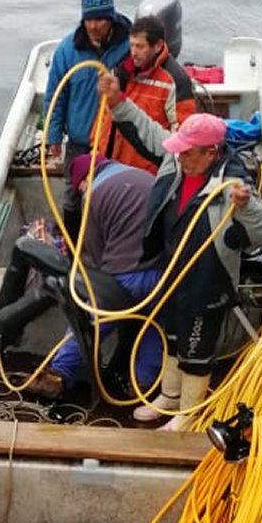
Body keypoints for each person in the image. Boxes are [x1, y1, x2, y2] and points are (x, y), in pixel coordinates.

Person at [98, 72, 262, 430]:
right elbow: (149, 132)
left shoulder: (232, 182)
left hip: (207, 281)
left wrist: (245, 207)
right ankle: (169, 395)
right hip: (173, 270)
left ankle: (188, 414)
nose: (180, 157)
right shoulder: (176, 158)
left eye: (188, 153)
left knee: (197, 351)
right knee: (174, 338)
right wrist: (118, 103)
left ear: (211, 153)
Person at [24, 153, 164, 399]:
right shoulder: (144, 176)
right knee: (154, 325)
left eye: (79, 187)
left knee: (90, 322)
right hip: (163, 271)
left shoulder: (94, 193)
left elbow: (93, 253)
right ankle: (143, 385)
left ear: (86, 178)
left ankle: (57, 375)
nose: (80, 192)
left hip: (125, 274)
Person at [43, 0, 132, 241]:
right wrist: (53, 137)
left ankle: (112, 244)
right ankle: (73, 250)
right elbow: (56, 96)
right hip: (81, 141)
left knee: (116, 193)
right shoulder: (67, 50)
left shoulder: (129, 47)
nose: (94, 26)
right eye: (89, 19)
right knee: (73, 195)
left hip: (118, 139)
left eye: (100, 19)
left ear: (111, 18)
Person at [94, 15, 196, 175]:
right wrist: (95, 160)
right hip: (110, 169)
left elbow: (183, 137)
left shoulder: (176, 81)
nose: (133, 53)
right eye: (132, 45)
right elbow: (103, 120)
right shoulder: (121, 70)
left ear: (158, 45)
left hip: (147, 176)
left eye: (140, 47)